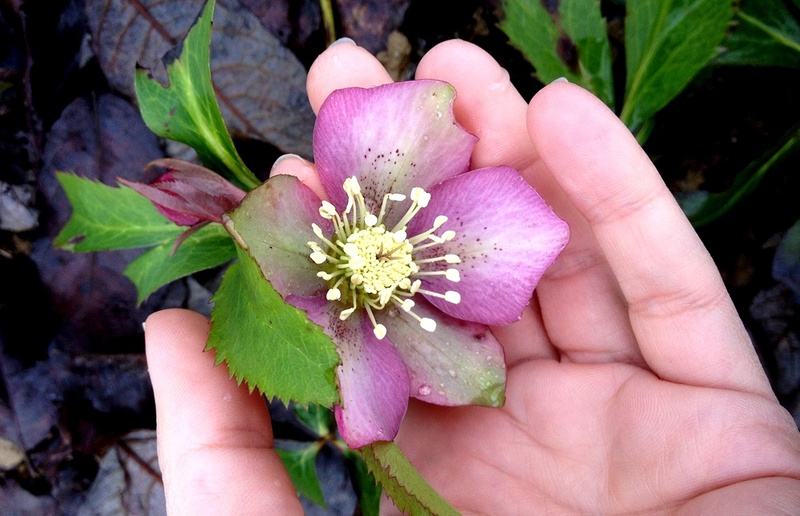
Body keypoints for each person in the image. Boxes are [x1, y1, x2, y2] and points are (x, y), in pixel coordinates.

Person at [144, 40, 800, 514]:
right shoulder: (275, 238)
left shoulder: (445, 329)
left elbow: (476, 370)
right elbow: (355, 389)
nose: (380, 260)